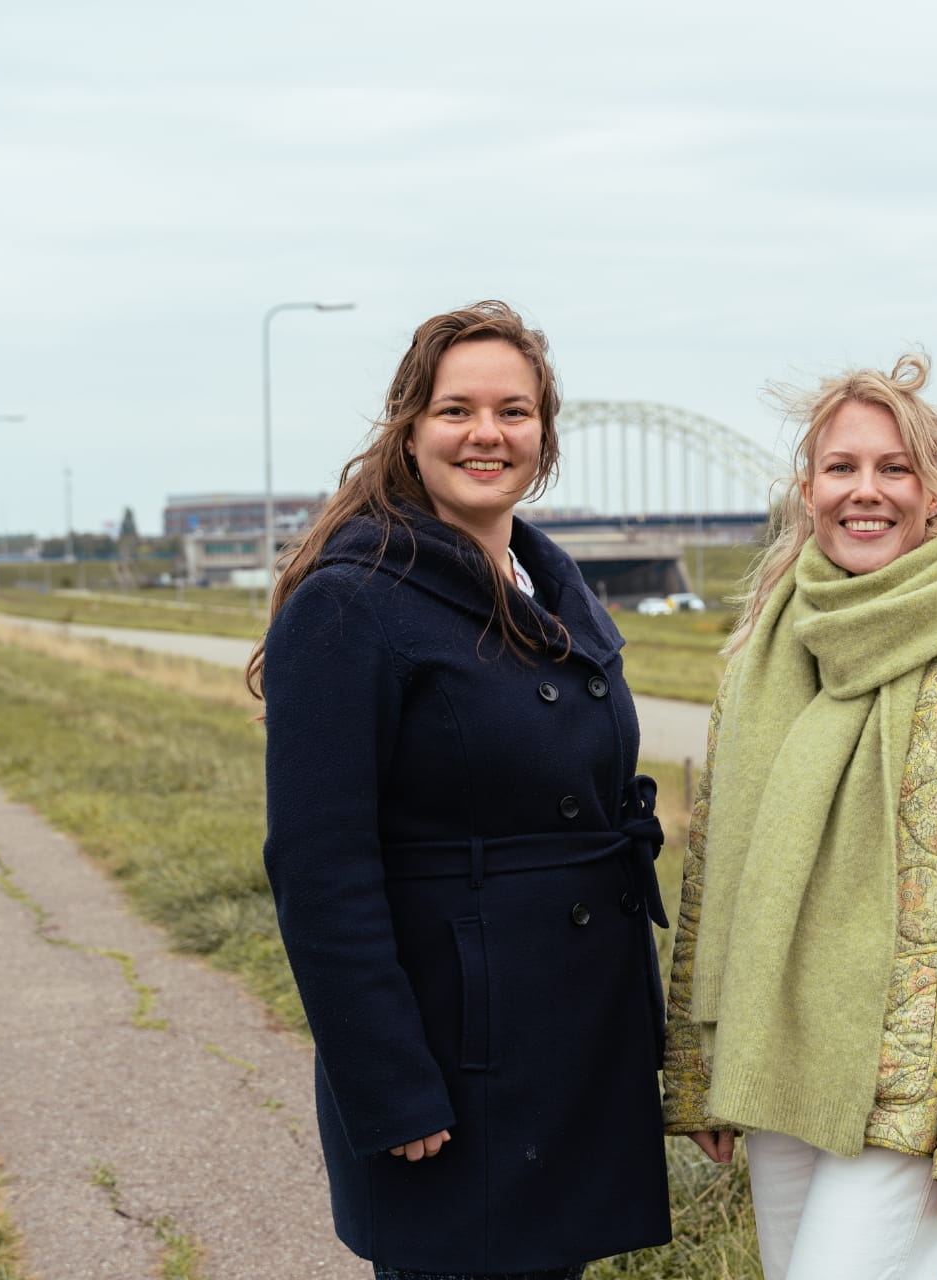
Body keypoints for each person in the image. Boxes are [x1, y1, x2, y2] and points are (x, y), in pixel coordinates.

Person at [253, 301, 672, 1279]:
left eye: (515, 410)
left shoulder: (548, 584)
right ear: (409, 427)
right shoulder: (351, 601)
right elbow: (320, 868)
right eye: (457, 409)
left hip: (566, 1045)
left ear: (544, 435)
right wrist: (389, 1082)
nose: (488, 433)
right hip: (456, 1056)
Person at [661, 353, 937, 1280]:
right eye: (842, 467)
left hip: (915, 1102)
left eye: (896, 468)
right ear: (806, 488)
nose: (867, 491)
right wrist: (700, 1073)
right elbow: (714, 871)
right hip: (781, 1071)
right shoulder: (764, 663)